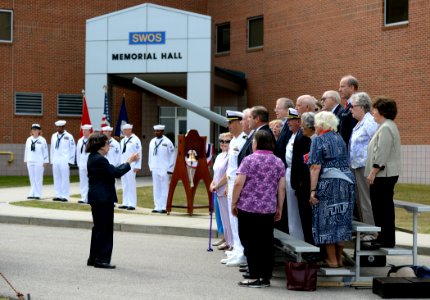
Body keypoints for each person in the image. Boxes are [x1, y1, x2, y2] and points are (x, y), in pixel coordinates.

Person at [232, 130, 285, 288]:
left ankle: (254, 276)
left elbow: (238, 183)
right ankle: (265, 276)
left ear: (257, 143)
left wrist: (234, 203)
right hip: (268, 208)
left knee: (249, 241)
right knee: (265, 243)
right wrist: (279, 207)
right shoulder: (278, 162)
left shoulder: (249, 160)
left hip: (248, 207)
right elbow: (281, 188)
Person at [308, 111, 355, 267]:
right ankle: (339, 258)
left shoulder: (319, 140)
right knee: (341, 220)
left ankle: (332, 260)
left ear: (322, 125)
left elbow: (315, 167)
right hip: (347, 183)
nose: (314, 125)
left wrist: (312, 190)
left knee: (327, 221)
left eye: (315, 122)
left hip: (329, 184)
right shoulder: (339, 138)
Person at [86, 133, 139, 269]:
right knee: (105, 229)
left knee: (98, 228)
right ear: (101, 146)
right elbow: (115, 172)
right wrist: (129, 161)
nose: (109, 146)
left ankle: (93, 258)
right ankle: (102, 259)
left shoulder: (94, 157)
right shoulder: (99, 159)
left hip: (98, 197)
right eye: (107, 143)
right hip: (103, 198)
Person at [364, 96, 401, 249]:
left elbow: (382, 153)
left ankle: (386, 239)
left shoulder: (386, 127)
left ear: (383, 111)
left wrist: (373, 172)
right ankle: (382, 236)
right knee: (381, 207)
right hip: (383, 174)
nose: (373, 113)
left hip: (383, 175)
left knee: (382, 207)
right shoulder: (386, 125)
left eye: (375, 110)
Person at [220, 110, 247, 267]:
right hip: (230, 184)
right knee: (232, 220)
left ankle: (241, 252)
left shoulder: (243, 140)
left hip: (237, 184)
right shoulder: (234, 141)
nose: (228, 125)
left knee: (237, 220)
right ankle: (237, 249)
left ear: (238, 122)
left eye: (231, 122)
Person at [349, 92, 378, 228]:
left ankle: (371, 230)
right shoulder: (359, 122)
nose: (350, 109)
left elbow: (377, 143)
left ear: (361, 107)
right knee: (360, 200)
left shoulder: (369, 121)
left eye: (352, 106)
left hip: (364, 167)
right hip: (356, 166)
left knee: (365, 200)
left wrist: (374, 167)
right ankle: (366, 229)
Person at [289, 109, 313, 244]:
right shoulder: (300, 135)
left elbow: (305, 165)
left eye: (303, 124)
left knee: (307, 218)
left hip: (306, 184)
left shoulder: (308, 139)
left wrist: (298, 183)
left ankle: (311, 248)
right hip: (301, 183)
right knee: (301, 217)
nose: (301, 126)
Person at [284, 108, 305, 240]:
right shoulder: (292, 135)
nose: (288, 123)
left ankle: (299, 239)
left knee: (296, 211)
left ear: (298, 121)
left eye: (291, 120)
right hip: (289, 172)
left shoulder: (301, 135)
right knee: (291, 210)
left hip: (296, 173)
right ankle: (294, 236)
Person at [210, 132, 233, 251]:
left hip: (224, 189)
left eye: (227, 141)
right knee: (222, 217)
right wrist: (212, 183)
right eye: (222, 141)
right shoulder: (220, 156)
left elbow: (226, 174)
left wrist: (217, 185)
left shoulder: (231, 155)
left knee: (228, 218)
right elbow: (216, 173)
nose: (224, 143)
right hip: (217, 189)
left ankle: (230, 243)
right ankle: (226, 239)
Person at [148, 124, 175, 213]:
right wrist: (150, 165)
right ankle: (157, 206)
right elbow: (150, 155)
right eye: (155, 131)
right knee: (156, 187)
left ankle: (164, 206)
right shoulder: (152, 141)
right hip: (155, 167)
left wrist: (170, 168)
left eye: (158, 131)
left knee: (164, 187)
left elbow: (172, 155)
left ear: (162, 132)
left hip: (164, 167)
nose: (156, 132)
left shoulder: (167, 142)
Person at [50, 120, 76, 202]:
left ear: (63, 127)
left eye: (59, 127)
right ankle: (58, 195)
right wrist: (52, 160)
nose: (58, 128)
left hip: (64, 159)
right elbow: (52, 149)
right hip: (56, 159)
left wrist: (70, 160)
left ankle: (64, 196)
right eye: (57, 127)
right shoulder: (54, 136)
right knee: (56, 177)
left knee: (64, 178)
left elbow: (72, 148)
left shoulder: (69, 136)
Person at [119, 124, 142, 210]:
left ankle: (132, 204)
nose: (124, 131)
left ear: (130, 130)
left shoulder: (135, 140)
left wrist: (137, 165)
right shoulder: (123, 140)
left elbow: (139, 153)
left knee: (131, 184)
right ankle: (125, 202)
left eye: (126, 130)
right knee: (125, 184)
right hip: (123, 164)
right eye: (124, 130)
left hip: (132, 165)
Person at [24, 123, 49, 199]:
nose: (34, 131)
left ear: (39, 131)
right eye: (33, 129)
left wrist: (45, 161)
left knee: (38, 178)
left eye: (36, 129)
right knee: (32, 178)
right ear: (31, 131)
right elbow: (26, 150)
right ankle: (32, 193)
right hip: (30, 160)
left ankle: (38, 194)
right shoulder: (28, 139)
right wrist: (26, 160)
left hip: (39, 161)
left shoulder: (42, 140)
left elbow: (45, 151)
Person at [339, 75, 359, 146]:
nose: (339, 90)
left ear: (351, 88)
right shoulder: (347, 105)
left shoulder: (357, 106)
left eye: (342, 86)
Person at [76, 124, 92, 204]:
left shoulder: (92, 141)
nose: (84, 132)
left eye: (86, 130)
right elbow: (78, 153)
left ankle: (90, 198)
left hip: (90, 164)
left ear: (89, 131)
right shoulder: (80, 140)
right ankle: (83, 197)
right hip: (82, 163)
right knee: (83, 181)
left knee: (91, 181)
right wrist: (79, 163)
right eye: (83, 130)